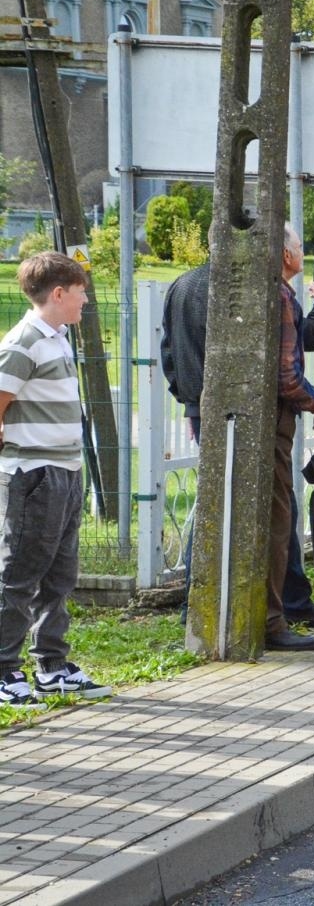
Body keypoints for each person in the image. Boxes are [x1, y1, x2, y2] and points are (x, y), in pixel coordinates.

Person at [161, 258, 314, 630]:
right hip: (251, 411)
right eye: (294, 249)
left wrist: (190, 400)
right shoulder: (256, 289)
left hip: (203, 404)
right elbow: (289, 361)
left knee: (266, 502)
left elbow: (170, 350)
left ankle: (289, 597)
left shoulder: (182, 284)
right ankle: (240, 606)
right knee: (246, 504)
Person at [0, 253, 110, 708]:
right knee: (20, 574)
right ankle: (5, 670)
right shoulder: (23, 342)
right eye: (81, 290)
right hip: (34, 475)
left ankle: (52, 666)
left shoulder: (58, 338)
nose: (86, 298)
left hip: (65, 471)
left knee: (59, 575)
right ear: (59, 293)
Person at [270, 225, 314, 651]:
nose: (301, 253)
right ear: (285, 255)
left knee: (284, 515)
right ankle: (272, 620)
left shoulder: (283, 295)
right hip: (272, 421)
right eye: (298, 247)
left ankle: (288, 606)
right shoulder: (277, 295)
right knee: (279, 520)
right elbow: (287, 374)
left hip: (255, 417)